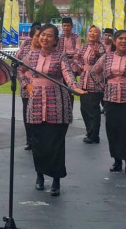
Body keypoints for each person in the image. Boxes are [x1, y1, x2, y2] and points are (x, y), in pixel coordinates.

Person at [20, 24, 86, 196]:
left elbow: (68, 74)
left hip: (56, 103)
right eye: (42, 35)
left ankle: (56, 179)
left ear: (56, 40)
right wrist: (26, 84)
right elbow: (21, 70)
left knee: (55, 143)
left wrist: (74, 87)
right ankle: (39, 176)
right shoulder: (31, 55)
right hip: (35, 103)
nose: (45, 38)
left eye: (49, 36)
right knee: (38, 142)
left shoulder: (61, 56)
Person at [89, 30, 126, 177]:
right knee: (113, 131)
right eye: (120, 38)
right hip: (111, 99)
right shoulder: (107, 57)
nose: (123, 41)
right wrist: (103, 86)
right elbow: (93, 72)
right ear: (115, 41)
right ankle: (117, 161)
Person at [75, 25, 105, 144]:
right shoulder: (85, 46)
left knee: (93, 108)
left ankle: (94, 134)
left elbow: (103, 61)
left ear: (98, 34)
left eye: (95, 32)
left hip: (95, 80)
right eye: (90, 31)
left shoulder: (101, 47)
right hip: (84, 79)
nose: (92, 33)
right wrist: (80, 66)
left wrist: (97, 54)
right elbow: (78, 59)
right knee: (84, 108)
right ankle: (89, 131)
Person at [17, 22, 43, 150]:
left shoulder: (45, 51)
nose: (40, 39)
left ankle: (39, 139)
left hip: (40, 87)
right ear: (32, 36)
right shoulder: (25, 49)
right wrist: (25, 84)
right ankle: (30, 140)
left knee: (39, 113)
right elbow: (17, 66)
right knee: (27, 113)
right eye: (38, 35)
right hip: (27, 85)